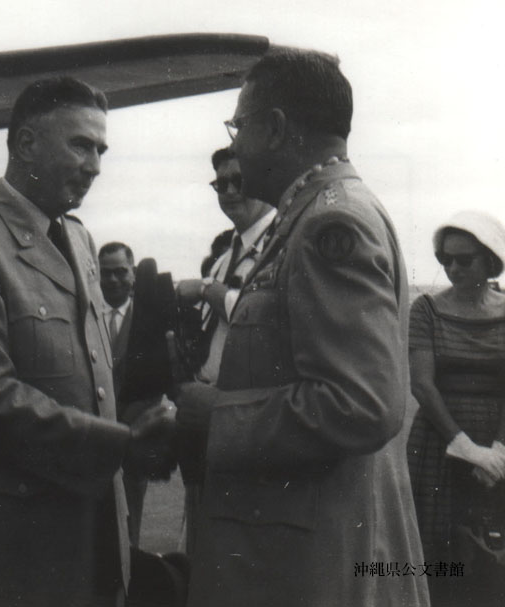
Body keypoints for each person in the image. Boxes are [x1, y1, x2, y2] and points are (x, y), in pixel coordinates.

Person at [172, 48, 429, 606]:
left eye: (238, 126)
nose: (236, 144)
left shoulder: (330, 222)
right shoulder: (316, 212)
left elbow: (362, 405)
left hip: (309, 567)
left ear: (275, 127)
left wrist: (216, 415)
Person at [0, 76, 176, 607]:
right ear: (26, 143)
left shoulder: (80, 239)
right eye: (81, 145)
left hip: (94, 522)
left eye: (101, 150)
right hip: (20, 537)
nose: (95, 165)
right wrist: (120, 442)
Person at [174, 147, 275, 555]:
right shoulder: (225, 254)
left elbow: (264, 320)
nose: (230, 191)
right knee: (204, 545)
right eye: (221, 184)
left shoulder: (280, 244)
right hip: (208, 419)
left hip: (250, 417)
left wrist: (206, 290)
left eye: (239, 181)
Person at [407, 210, 505, 607]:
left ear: (490, 260)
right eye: (445, 259)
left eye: (464, 259)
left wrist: (497, 452)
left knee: (492, 561)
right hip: (439, 443)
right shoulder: (426, 310)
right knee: (437, 560)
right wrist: (464, 446)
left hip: (498, 448)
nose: (453, 268)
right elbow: (422, 384)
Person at [99, 240, 149, 548]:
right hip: (93, 434)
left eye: (120, 271)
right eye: (105, 273)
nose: (113, 279)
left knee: (130, 527)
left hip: (135, 436)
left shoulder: (147, 318)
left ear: (133, 272)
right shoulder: (86, 314)